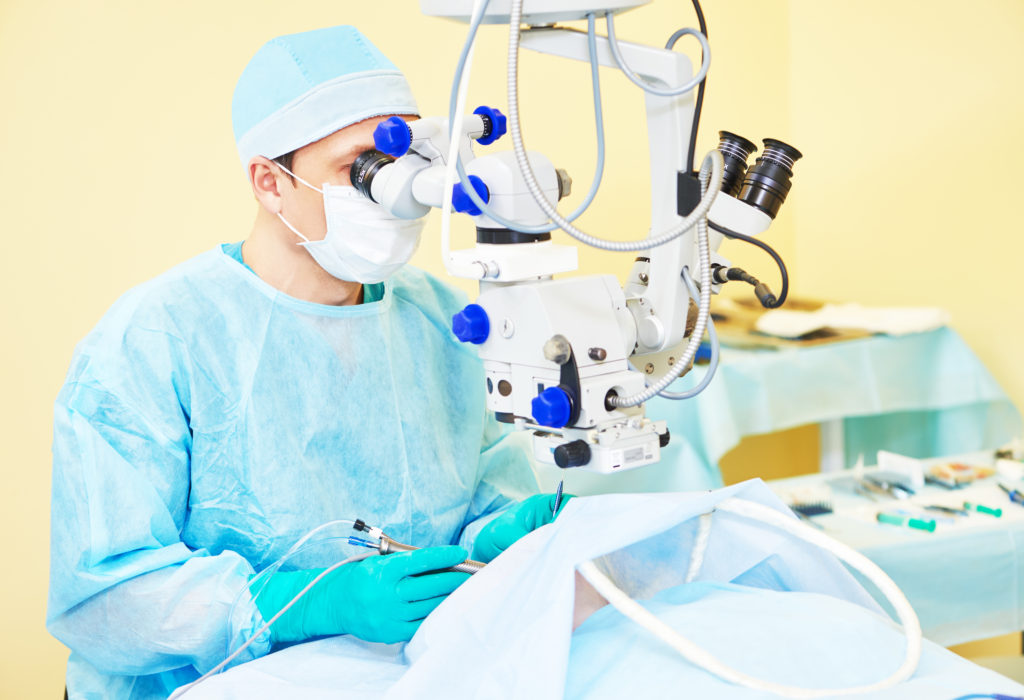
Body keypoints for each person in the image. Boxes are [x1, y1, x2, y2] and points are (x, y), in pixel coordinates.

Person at [48, 25, 569, 700]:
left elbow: (478, 497)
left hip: (393, 676)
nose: (399, 194)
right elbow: (103, 596)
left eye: (409, 162)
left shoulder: (441, 319)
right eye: (364, 170)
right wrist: (304, 602)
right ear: (270, 182)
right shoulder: (154, 340)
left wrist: (499, 532)